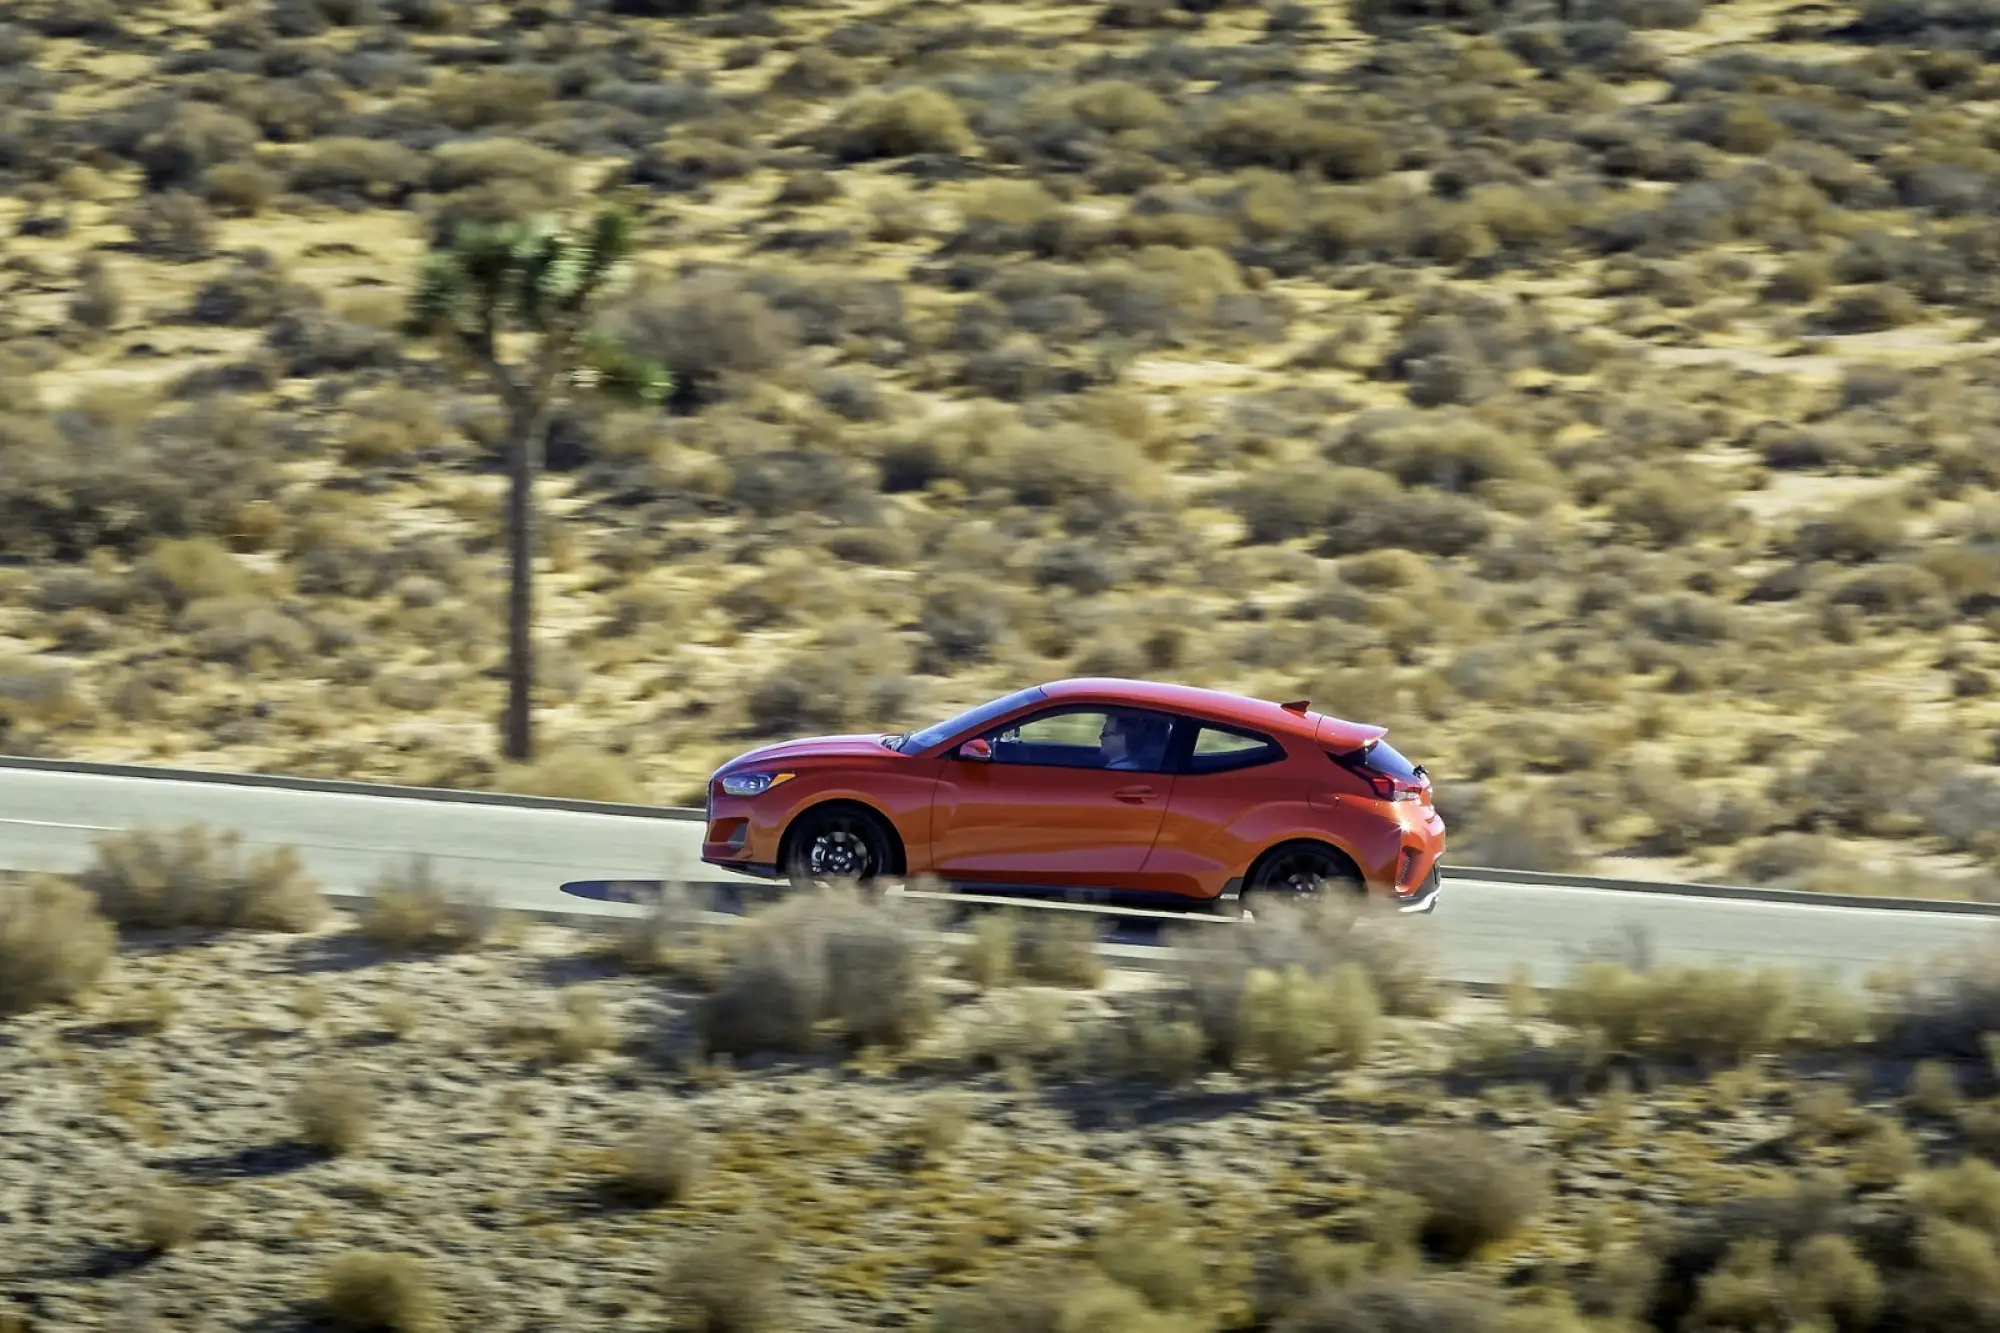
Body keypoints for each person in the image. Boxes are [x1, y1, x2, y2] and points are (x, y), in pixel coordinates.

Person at [1100, 711, 1168, 770]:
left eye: (1105, 733)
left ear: (1121, 739)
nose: (1100, 737)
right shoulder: (1124, 766)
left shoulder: (1119, 771)